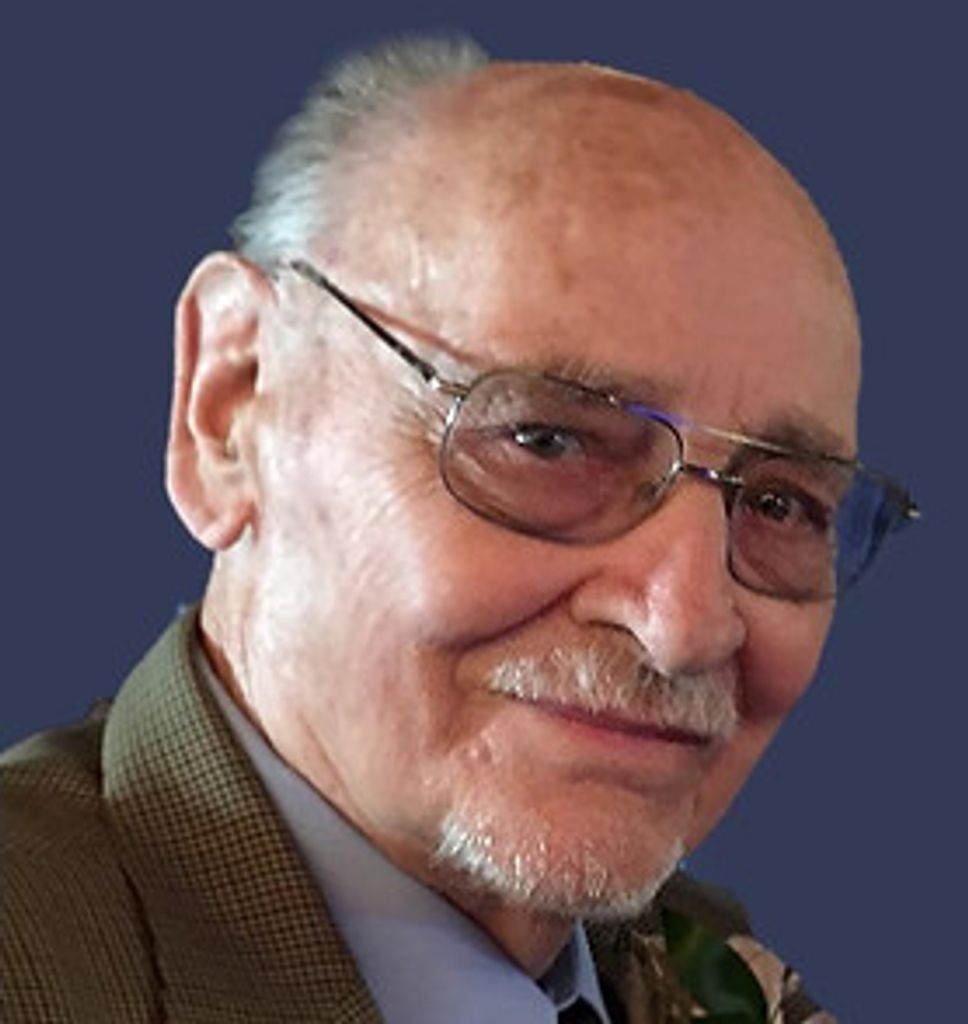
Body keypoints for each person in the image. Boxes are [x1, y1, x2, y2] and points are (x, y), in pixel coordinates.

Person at [1, 34, 919, 1024]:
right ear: (233, 409)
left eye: (780, 504)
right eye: (545, 440)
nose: (684, 625)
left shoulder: (719, 972)